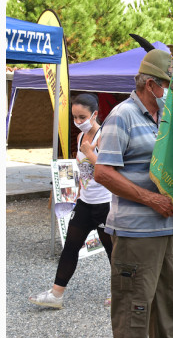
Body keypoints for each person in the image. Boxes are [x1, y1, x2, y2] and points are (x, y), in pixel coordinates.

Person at [95, 49, 173, 338]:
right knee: (134, 300)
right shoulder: (122, 115)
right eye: (168, 84)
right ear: (149, 84)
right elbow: (103, 173)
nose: (171, 91)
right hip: (136, 229)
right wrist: (151, 200)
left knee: (167, 294)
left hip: (167, 226)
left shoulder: (167, 116)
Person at [29, 93, 112, 309]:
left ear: (95, 114)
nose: (78, 122)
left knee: (114, 251)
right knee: (71, 246)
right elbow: (82, 171)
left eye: (82, 117)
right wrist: (76, 194)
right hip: (85, 202)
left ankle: (120, 292)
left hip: (106, 204)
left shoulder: (105, 137)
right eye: (74, 117)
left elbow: (109, 172)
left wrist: (90, 153)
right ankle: (56, 294)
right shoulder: (79, 138)